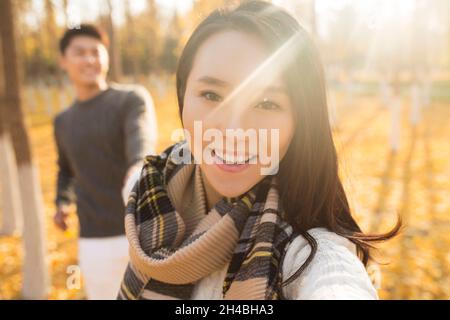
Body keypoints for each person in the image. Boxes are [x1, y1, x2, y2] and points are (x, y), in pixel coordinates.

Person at [118, 1, 400, 300]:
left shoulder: (309, 253)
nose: (234, 130)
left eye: (267, 103)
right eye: (211, 95)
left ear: (300, 120)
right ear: (183, 96)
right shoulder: (149, 194)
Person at [53, 24, 158, 299]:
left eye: (96, 52)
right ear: (63, 61)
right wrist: (62, 202)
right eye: (80, 53)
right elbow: (66, 170)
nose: (89, 59)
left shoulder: (130, 99)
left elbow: (140, 136)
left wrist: (138, 165)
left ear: (107, 58)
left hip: (141, 233)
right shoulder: (62, 122)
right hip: (93, 240)